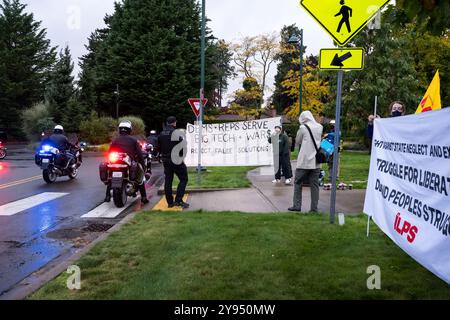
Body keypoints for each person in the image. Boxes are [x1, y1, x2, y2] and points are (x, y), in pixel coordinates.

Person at [106, 121, 149, 204]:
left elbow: (109, 153)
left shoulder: (115, 140)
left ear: (119, 130)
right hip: (128, 162)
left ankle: (107, 196)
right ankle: (143, 197)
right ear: (129, 130)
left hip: (115, 162)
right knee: (140, 178)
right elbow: (140, 154)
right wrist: (143, 167)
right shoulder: (134, 140)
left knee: (110, 177)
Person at [289, 111, 323, 213]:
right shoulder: (320, 127)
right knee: (315, 185)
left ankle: (297, 205)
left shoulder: (303, 128)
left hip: (304, 160)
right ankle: (314, 208)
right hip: (316, 161)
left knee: (298, 182)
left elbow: (298, 141)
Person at [158, 116, 189, 209]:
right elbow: (183, 146)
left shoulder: (161, 134)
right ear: (174, 123)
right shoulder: (175, 133)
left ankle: (170, 202)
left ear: (167, 123)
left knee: (168, 180)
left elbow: (158, 147)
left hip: (166, 160)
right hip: (176, 160)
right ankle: (178, 200)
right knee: (183, 179)